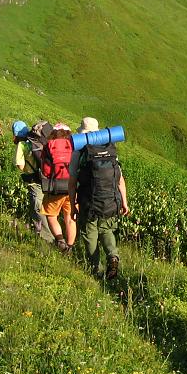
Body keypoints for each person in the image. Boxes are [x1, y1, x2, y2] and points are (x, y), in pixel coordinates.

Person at [69, 116, 129, 280]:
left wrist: (73, 205)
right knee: (107, 230)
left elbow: (72, 182)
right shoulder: (110, 149)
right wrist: (124, 202)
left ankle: (97, 270)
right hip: (110, 200)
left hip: (88, 202)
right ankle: (112, 256)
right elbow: (120, 179)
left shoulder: (79, 152)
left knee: (90, 235)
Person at [13, 120, 53, 241]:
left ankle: (47, 238)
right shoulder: (40, 141)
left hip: (35, 181)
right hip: (50, 178)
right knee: (50, 207)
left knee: (37, 208)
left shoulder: (22, 145)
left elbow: (19, 165)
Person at [40, 123, 77, 252]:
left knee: (51, 216)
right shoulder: (73, 145)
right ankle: (70, 247)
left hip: (55, 187)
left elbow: (45, 170)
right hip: (72, 188)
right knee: (71, 217)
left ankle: (60, 241)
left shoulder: (48, 146)